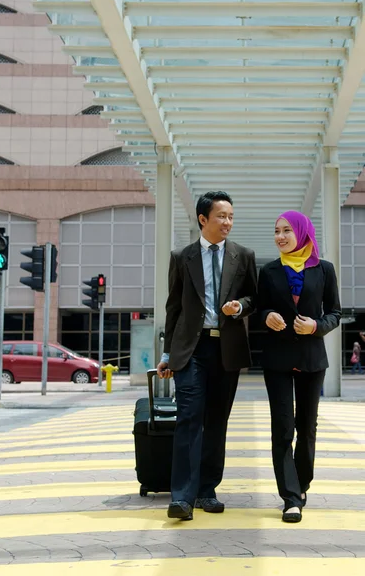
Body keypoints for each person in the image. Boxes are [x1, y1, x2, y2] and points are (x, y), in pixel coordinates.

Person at [156, 191, 257, 521]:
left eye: (230, 217)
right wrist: (167, 354)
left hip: (226, 349)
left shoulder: (243, 256)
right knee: (189, 418)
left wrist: (240, 306)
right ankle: (182, 497)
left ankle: (207, 490)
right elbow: (173, 308)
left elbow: (254, 297)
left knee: (216, 422)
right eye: (221, 216)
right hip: (191, 349)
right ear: (203, 219)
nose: (227, 222)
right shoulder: (181, 257)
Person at [257, 210, 341, 523]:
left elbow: (335, 312)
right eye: (276, 231)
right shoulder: (268, 271)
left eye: (286, 231)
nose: (280, 237)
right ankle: (290, 498)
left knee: (307, 427)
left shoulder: (324, 269)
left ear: (302, 233)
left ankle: (302, 483)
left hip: (311, 358)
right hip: (277, 359)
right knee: (282, 428)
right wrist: (266, 316)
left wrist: (316, 326)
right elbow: (259, 309)